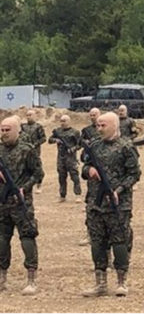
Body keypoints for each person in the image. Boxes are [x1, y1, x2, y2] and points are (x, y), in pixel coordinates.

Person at [81, 112, 140, 297]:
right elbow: (83, 167)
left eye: (103, 125)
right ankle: (100, 283)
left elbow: (134, 174)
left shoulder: (126, 147)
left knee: (119, 241)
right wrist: (88, 170)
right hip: (95, 203)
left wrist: (119, 190)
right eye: (97, 125)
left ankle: (121, 282)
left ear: (114, 126)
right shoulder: (94, 146)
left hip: (118, 204)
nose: (99, 129)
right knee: (97, 242)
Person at [0, 116, 44, 295]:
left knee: (27, 237)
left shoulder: (27, 150)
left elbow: (38, 173)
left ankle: (31, 279)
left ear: (18, 130)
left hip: (21, 203)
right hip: (2, 203)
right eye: (2, 130)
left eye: (7, 130)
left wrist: (23, 189)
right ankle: (2, 278)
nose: (3, 133)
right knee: (2, 239)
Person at [49, 115, 82, 202]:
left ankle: (78, 195)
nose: (62, 123)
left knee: (74, 176)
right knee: (61, 177)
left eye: (64, 121)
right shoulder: (57, 131)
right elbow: (49, 139)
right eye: (61, 121)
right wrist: (55, 140)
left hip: (71, 157)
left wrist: (73, 149)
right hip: (61, 157)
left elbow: (80, 144)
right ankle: (62, 196)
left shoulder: (75, 132)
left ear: (69, 121)